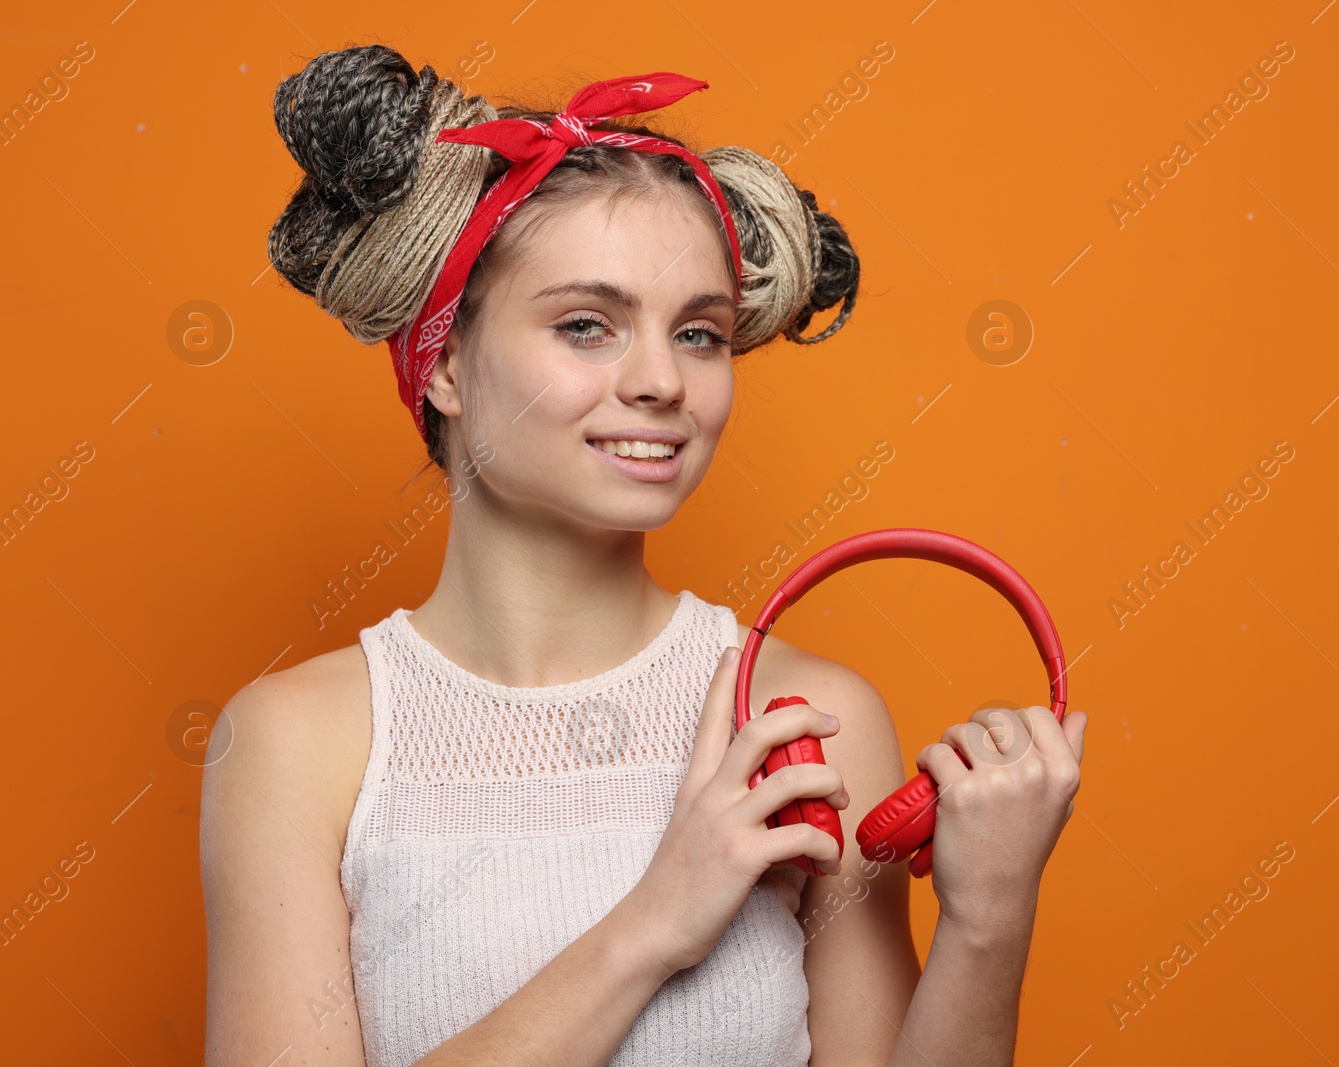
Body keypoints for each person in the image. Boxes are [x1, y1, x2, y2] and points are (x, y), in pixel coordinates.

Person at [199, 42, 1089, 1067]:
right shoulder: (295, 745)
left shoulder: (806, 724)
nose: (662, 380)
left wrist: (989, 921)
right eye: (587, 325)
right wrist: (657, 920)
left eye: (701, 333)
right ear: (442, 361)